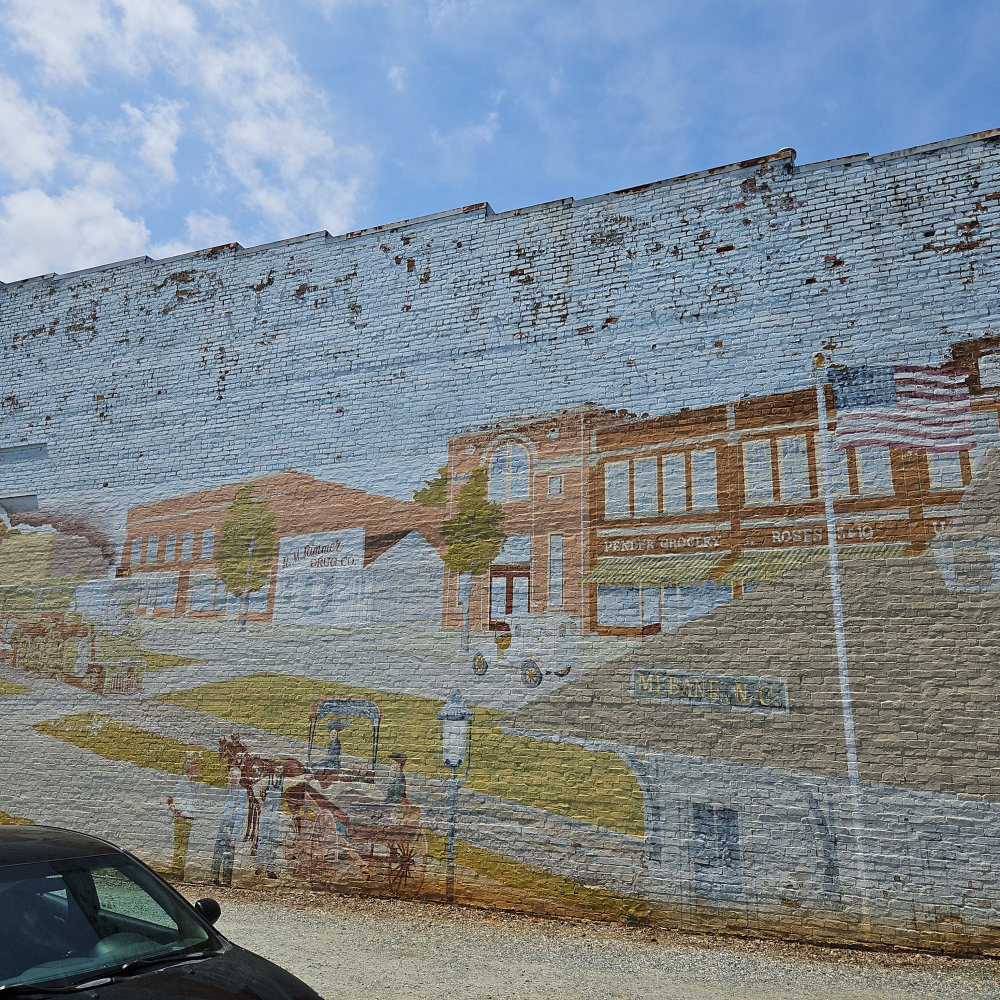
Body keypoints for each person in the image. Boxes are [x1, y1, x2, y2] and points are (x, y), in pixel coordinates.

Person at [212, 766, 247, 887]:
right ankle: (214, 879)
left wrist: (234, 836)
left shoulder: (241, 792)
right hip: (223, 825)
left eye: (234, 776)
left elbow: (240, 815)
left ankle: (226, 881)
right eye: (230, 775)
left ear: (238, 778)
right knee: (217, 852)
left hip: (232, 825)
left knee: (228, 854)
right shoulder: (225, 790)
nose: (231, 778)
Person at [166, 756, 197, 880]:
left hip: (188, 820)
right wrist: (177, 813)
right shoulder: (181, 783)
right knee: (180, 847)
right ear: (188, 769)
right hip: (182, 820)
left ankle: (180, 873)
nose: (196, 771)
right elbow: (169, 799)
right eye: (194, 768)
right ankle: (177, 874)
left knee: (184, 847)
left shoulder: (191, 784)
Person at [255, 762, 285, 879]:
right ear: (275, 768)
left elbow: (287, 794)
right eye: (278, 767)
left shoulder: (284, 781)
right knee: (262, 839)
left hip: (276, 814)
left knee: (273, 841)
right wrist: (262, 802)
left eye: (281, 768)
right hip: (266, 812)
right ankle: (259, 866)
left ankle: (270, 869)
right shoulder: (268, 779)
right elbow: (257, 788)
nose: (279, 770)